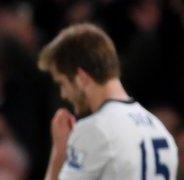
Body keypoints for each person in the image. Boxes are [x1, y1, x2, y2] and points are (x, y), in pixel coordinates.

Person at [40, 23, 178, 180]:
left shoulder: (94, 130)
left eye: (62, 83)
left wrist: (59, 153)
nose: (63, 94)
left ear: (81, 78)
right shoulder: (160, 130)